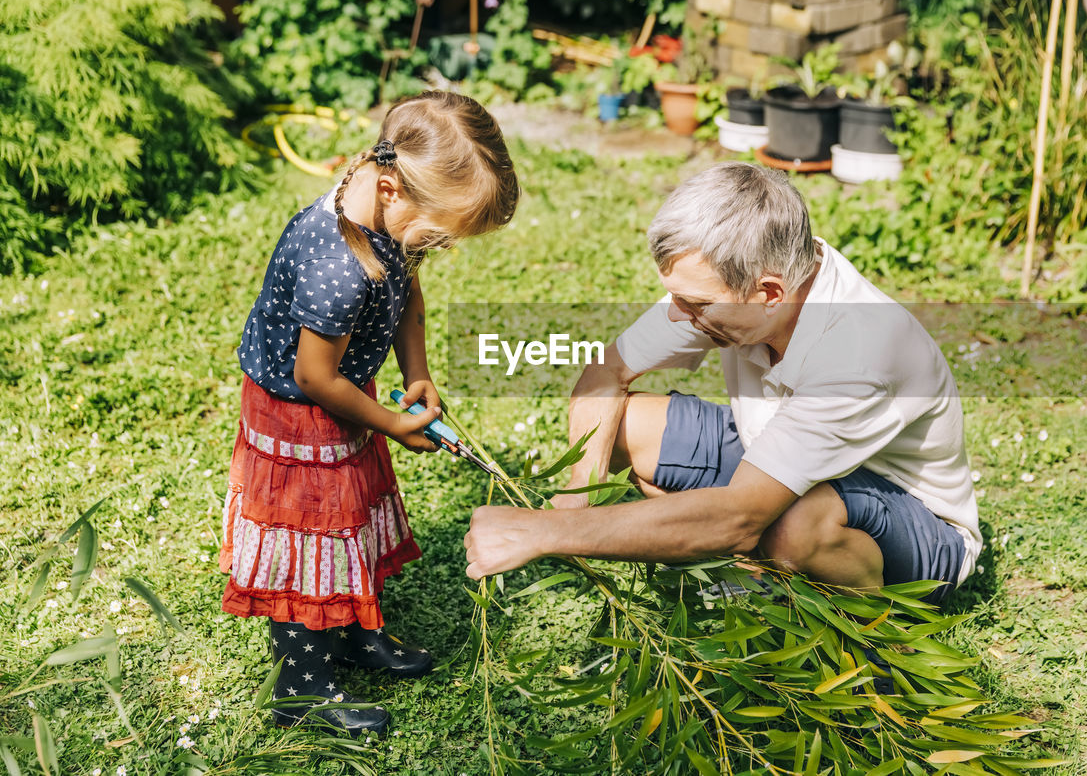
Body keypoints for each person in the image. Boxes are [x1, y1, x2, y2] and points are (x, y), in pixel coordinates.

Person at [465, 162, 980, 602]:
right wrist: (579, 491)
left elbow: (739, 515)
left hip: (917, 528)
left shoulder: (857, 354)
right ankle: (752, 574)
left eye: (694, 304)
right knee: (626, 427)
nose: (677, 317)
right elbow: (607, 371)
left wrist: (550, 532)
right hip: (783, 467)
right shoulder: (741, 281)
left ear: (770, 291)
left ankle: (862, 627)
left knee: (795, 527)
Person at [219, 91, 519, 737]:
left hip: (342, 399)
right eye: (437, 232)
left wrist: (418, 373)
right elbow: (313, 375)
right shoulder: (339, 265)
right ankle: (300, 688)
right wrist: (390, 422)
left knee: (348, 520)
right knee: (309, 541)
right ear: (391, 186)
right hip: (299, 412)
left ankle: (353, 634)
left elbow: (409, 290)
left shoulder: (384, 212)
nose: (434, 245)